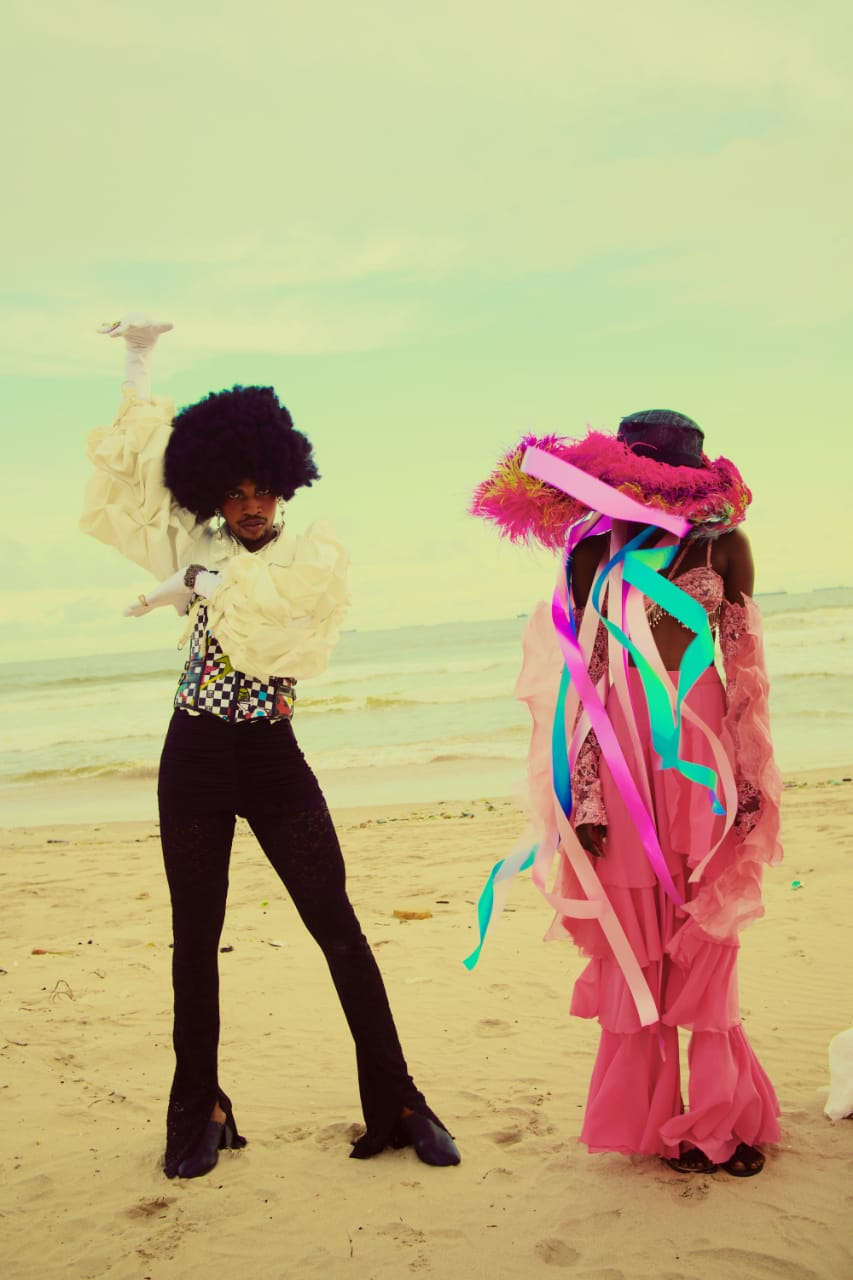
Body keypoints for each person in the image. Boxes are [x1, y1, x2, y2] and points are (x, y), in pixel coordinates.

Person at [80, 313, 460, 1179]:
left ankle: (399, 1099)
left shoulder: (311, 562)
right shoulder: (200, 543)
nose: (250, 505)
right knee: (193, 940)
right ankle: (199, 1107)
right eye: (234, 491)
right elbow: (136, 463)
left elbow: (278, 628)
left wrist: (201, 585)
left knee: (338, 927)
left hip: (273, 759)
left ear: (285, 487)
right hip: (194, 759)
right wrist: (138, 359)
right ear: (215, 492)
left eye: (263, 491)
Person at [467, 409, 782, 1177]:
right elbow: (586, 686)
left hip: (700, 757)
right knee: (635, 939)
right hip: (619, 763)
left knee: (707, 935)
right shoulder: (591, 557)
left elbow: (745, 675)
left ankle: (721, 1118)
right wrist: (587, 804)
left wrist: (749, 784)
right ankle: (645, 1120)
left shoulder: (724, 547)